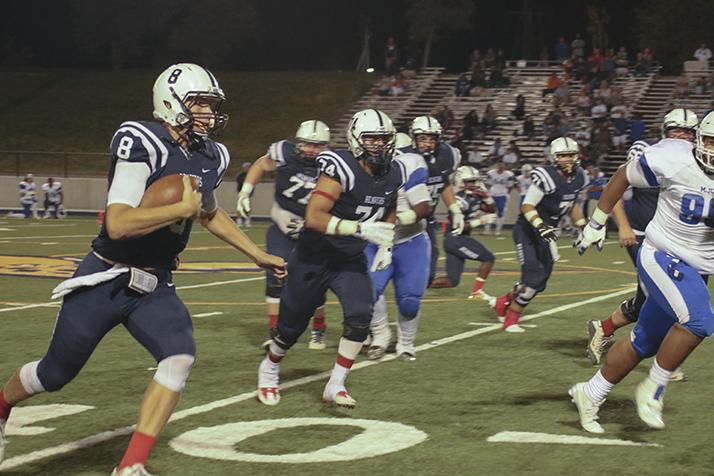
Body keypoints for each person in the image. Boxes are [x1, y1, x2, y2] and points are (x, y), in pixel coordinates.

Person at [0, 63, 286, 474]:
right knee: (55, 373)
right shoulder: (141, 141)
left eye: (210, 104)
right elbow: (117, 224)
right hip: (106, 276)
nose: (207, 112)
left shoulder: (211, 154)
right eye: (199, 103)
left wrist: (254, 253)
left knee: (179, 357)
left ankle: (130, 467)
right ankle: (1, 406)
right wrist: (179, 207)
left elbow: (207, 212)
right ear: (171, 104)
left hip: (154, 282)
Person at [570, 110, 714, 434]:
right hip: (661, 253)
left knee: (644, 341)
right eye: (711, 142)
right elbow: (623, 175)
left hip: (696, 266)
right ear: (699, 140)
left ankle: (590, 392)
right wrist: (596, 222)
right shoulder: (672, 156)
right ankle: (653, 389)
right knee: (700, 320)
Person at [256, 109, 405, 409]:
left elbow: (389, 203)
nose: (379, 145)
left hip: (348, 258)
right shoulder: (341, 167)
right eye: (372, 139)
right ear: (355, 139)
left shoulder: (395, 171)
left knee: (361, 315)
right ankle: (270, 367)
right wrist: (359, 228)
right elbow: (313, 217)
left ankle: (335, 383)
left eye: (384, 139)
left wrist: (387, 242)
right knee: (290, 328)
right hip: (313, 257)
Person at [585, 109, 699, 367]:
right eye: (675, 130)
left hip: (678, 240)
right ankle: (663, 362)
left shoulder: (699, 160)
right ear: (664, 132)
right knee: (663, 298)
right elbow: (619, 182)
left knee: (648, 300)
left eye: (687, 132)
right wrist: (623, 225)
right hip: (643, 235)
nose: (680, 136)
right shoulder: (647, 150)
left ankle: (603, 328)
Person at [236, 120, 331, 351]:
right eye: (308, 144)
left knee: (313, 282)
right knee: (274, 277)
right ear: (299, 142)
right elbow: (260, 165)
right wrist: (246, 192)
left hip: (313, 229)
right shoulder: (284, 153)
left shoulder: (331, 165)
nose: (311, 149)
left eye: (317, 145)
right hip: (282, 224)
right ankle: (275, 332)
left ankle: (318, 327)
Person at [493, 137, 588, 332]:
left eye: (571, 155)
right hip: (529, 230)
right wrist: (541, 226)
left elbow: (572, 204)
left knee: (540, 281)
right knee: (532, 276)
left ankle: (503, 301)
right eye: (563, 156)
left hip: (548, 233)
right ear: (554, 158)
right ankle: (511, 319)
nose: (568, 160)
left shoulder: (580, 177)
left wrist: (582, 226)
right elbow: (527, 205)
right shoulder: (546, 176)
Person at [366, 139, 432, 361]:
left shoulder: (408, 164)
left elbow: (423, 208)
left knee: (409, 301)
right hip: (375, 241)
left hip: (410, 241)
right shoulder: (357, 167)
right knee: (367, 293)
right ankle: (380, 335)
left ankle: (406, 342)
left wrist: (394, 222)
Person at [402, 116, 463, 287]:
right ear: (413, 138)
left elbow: (444, 183)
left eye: (431, 139)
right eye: (422, 138)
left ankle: (420, 284)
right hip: (400, 215)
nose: (427, 144)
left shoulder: (448, 155)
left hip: (426, 216)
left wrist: (455, 209)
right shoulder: (402, 157)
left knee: (431, 253)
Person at [429, 166, 497, 300]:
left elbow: (491, 209)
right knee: (488, 258)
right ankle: (477, 291)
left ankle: (420, 285)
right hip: (456, 238)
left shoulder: (475, 196)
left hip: (458, 239)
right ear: (461, 181)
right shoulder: (460, 200)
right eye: (469, 181)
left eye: (474, 181)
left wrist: (487, 196)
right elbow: (458, 226)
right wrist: (480, 221)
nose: (473, 184)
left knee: (451, 281)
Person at [485, 161, 514, 236]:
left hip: (502, 195)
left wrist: (506, 193)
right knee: (489, 212)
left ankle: (498, 231)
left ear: (504, 166)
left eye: (502, 165)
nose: (500, 167)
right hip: (492, 194)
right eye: (499, 165)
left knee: (501, 213)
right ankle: (487, 230)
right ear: (497, 165)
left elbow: (510, 186)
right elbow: (488, 184)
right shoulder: (491, 173)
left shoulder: (508, 174)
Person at [234, 162, 251, 227]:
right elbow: (239, 182)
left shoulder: (251, 175)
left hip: (248, 193)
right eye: (246, 167)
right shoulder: (240, 175)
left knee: (247, 207)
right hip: (241, 192)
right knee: (240, 206)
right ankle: (239, 221)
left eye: (248, 167)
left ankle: (247, 221)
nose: (247, 168)